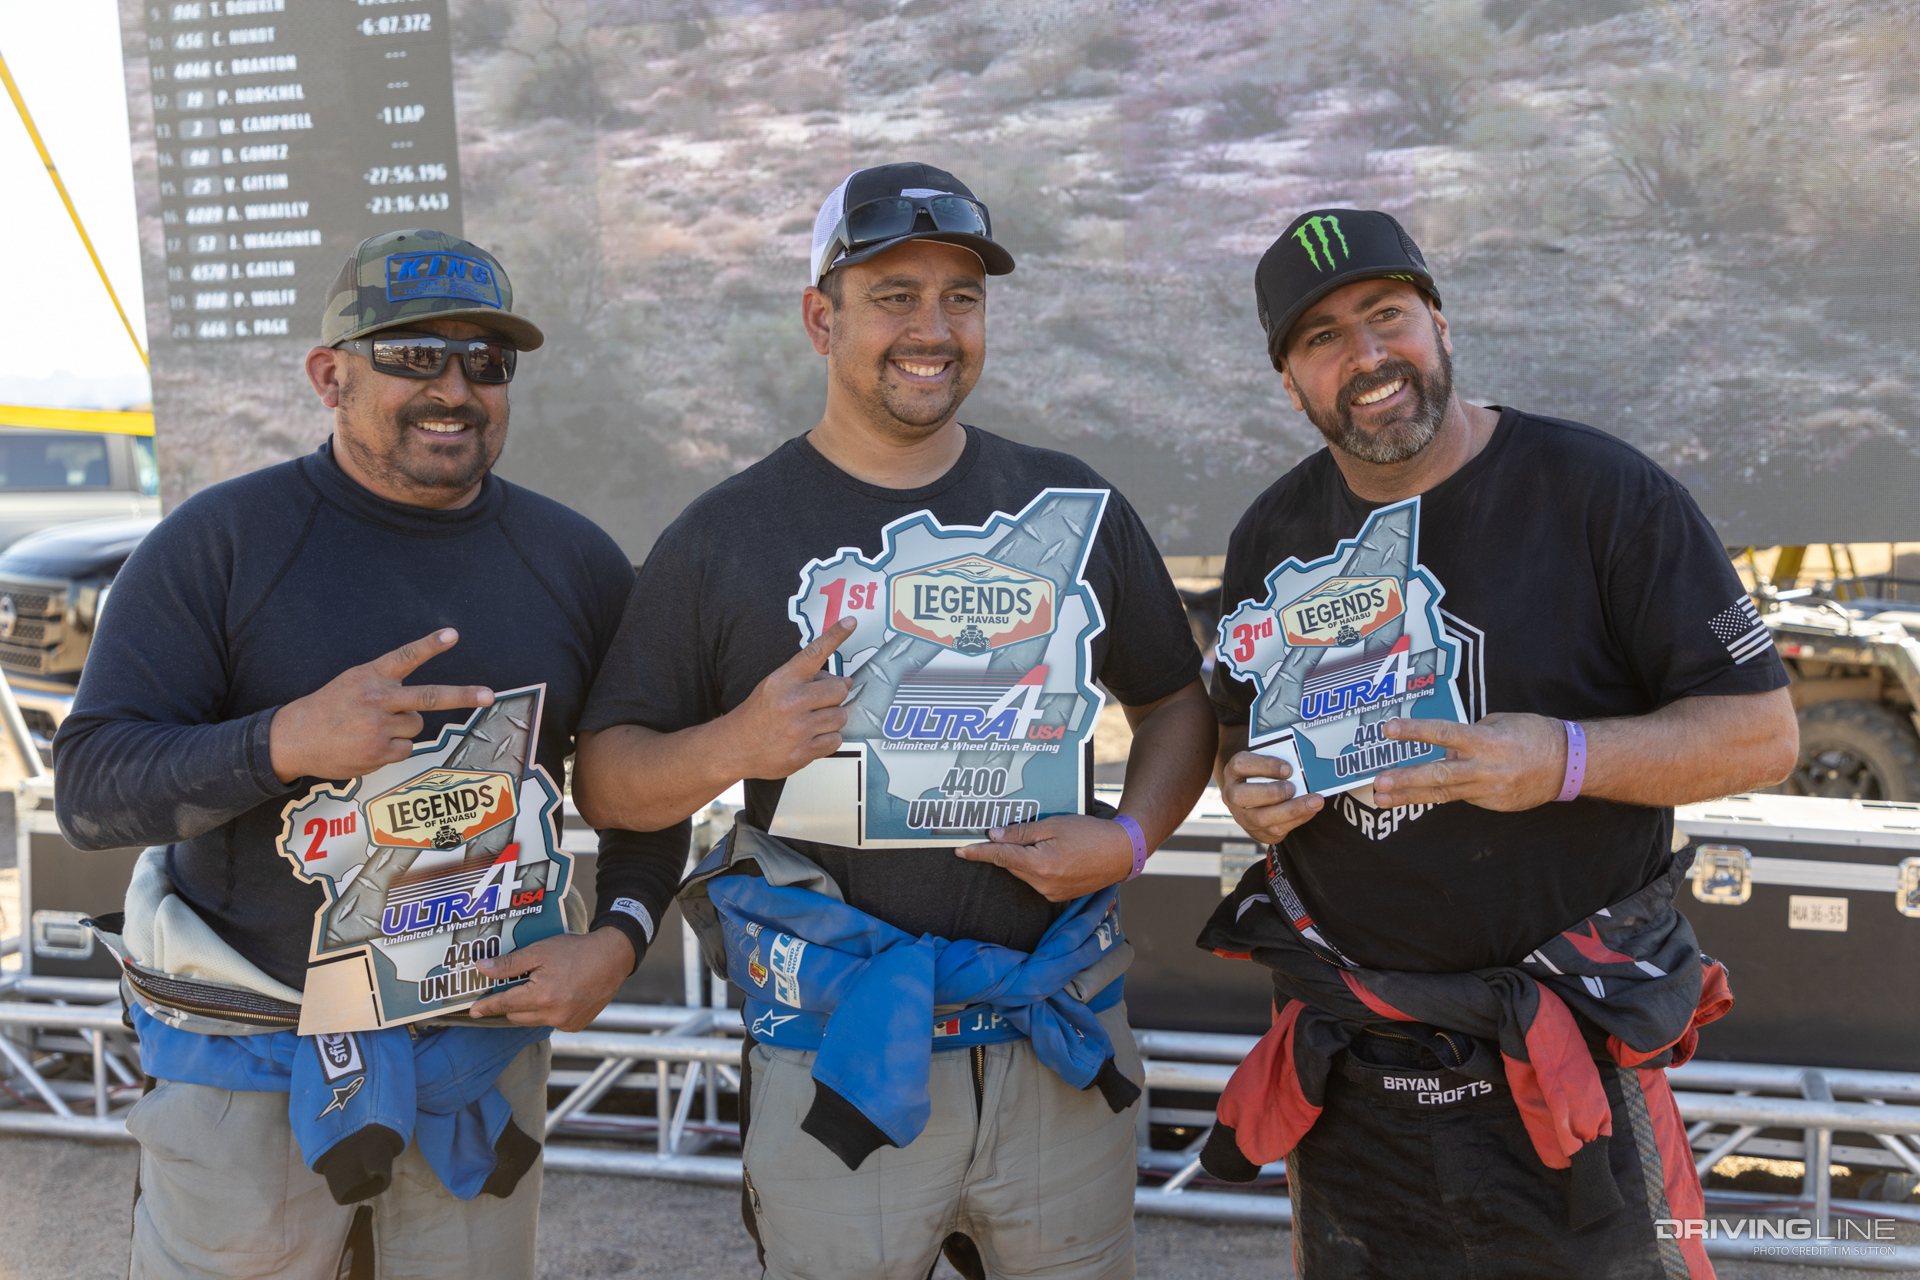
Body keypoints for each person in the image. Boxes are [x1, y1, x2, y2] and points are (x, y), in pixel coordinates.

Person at [573, 162, 1216, 1280]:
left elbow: (1174, 700)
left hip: (1052, 1042)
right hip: (839, 1054)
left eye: (960, 297)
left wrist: (1131, 837)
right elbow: (609, 778)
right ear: (821, 317)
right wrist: (739, 743)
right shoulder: (724, 536)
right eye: (894, 295)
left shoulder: (1069, 505)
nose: (934, 328)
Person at [54, 229, 682, 1280]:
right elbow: (92, 788)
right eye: (413, 355)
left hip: (471, 1064)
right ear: (329, 375)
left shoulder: (577, 563)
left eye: (486, 361)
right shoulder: (218, 545)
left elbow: (642, 792)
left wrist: (616, 939)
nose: (455, 388)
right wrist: (283, 741)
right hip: (248, 1070)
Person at [1201, 208, 1797, 1278]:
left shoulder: (1603, 493)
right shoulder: (1273, 535)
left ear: (1439, 322)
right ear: (1289, 382)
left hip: (1570, 1060)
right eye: (1323, 336)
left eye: (1388, 316)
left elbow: (1761, 732)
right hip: (1356, 1074)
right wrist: (1244, 786)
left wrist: (1564, 758)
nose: (1368, 355)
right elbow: (1235, 735)